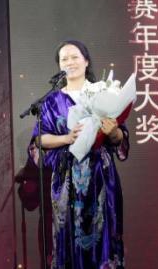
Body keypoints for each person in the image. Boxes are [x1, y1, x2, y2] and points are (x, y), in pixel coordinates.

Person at [29, 40, 129, 269]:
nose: (69, 62)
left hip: (100, 176)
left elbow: (120, 138)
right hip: (66, 179)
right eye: (64, 59)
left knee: (104, 233)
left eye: (74, 57)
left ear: (86, 61)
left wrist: (112, 131)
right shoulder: (51, 102)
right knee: (68, 237)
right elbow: (39, 140)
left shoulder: (103, 93)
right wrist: (67, 138)